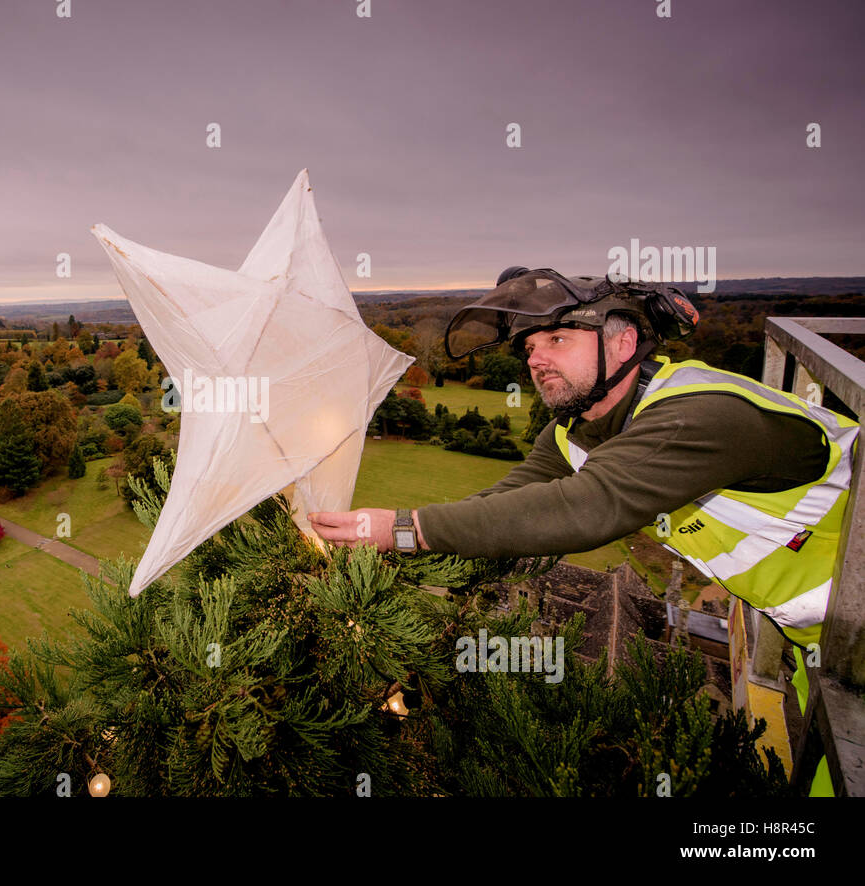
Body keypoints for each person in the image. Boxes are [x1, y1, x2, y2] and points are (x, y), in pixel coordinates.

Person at [307, 267, 859, 795]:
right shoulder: (576, 431)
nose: (537, 359)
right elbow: (506, 504)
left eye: (558, 340)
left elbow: (586, 507)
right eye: (528, 349)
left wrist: (401, 529)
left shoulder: (702, 415)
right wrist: (377, 556)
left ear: (623, 343)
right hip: (822, 638)